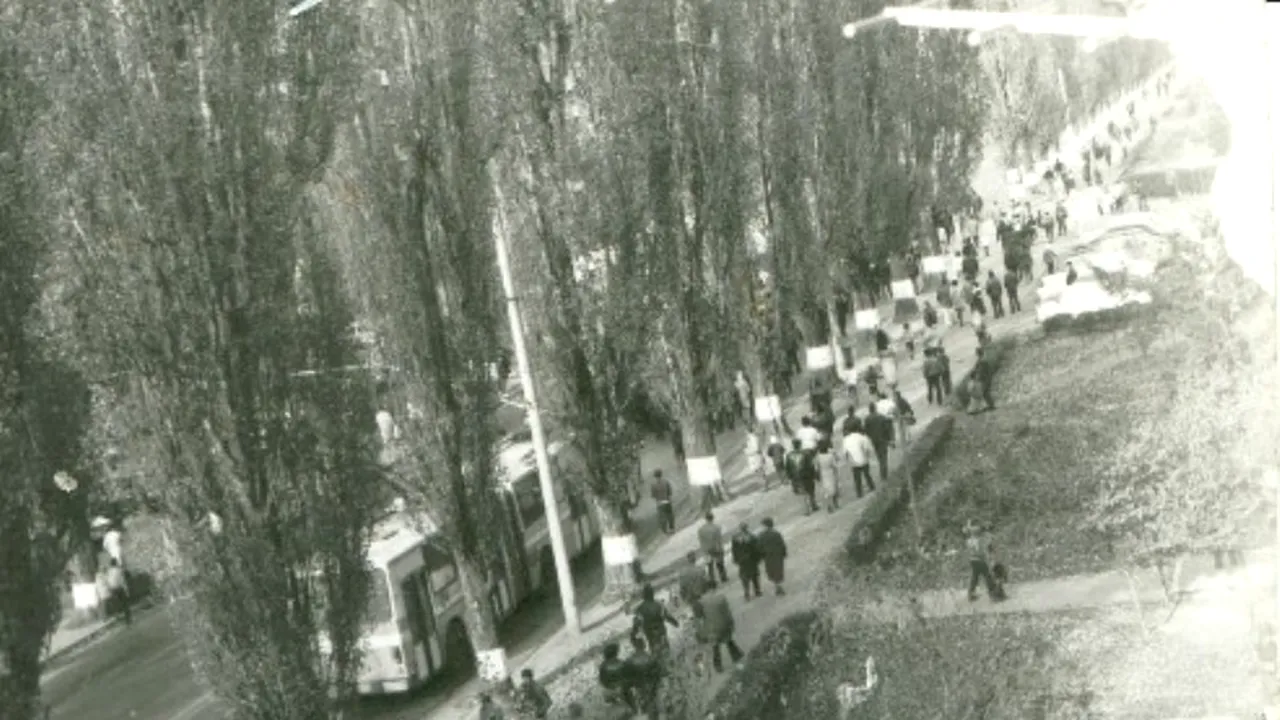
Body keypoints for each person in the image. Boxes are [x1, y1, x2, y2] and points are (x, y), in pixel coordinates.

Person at [694, 589, 744, 673]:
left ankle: (718, 666)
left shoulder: (699, 603)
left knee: (715, 647)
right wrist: (731, 624)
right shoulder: (721, 598)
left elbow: (699, 620)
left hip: (712, 630)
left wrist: (700, 634)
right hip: (723, 626)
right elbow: (727, 614)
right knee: (728, 641)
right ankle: (736, 656)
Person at [964, 520, 1006, 602]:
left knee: (975, 577)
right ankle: (994, 595)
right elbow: (992, 548)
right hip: (980, 559)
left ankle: (971, 594)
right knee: (987, 577)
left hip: (974, 559)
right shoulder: (984, 536)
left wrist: (968, 525)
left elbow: (968, 530)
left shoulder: (974, 537)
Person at [631, 583, 679, 653]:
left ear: (644, 595)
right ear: (652, 594)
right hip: (661, 632)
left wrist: (633, 634)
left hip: (651, 634)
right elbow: (667, 616)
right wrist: (675, 623)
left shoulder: (640, 608)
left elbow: (636, 623)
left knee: (655, 651)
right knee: (665, 651)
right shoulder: (659, 605)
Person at [624, 635, 663, 718]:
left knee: (645, 706)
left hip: (639, 687)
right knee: (652, 706)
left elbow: (627, 675)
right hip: (650, 685)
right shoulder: (649, 657)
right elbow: (657, 670)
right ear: (644, 645)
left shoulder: (629, 660)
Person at [840, 420, 876, 499]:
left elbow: (845, 452)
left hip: (853, 462)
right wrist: (867, 456)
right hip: (863, 459)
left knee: (857, 478)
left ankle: (859, 493)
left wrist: (848, 460)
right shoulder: (862, 437)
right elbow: (867, 448)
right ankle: (871, 486)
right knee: (867, 474)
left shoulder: (846, 440)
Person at [784, 438, 819, 515]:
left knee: (803, 493)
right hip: (807, 475)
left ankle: (806, 510)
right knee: (811, 491)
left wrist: (790, 477)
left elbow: (787, 467)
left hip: (796, 477)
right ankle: (814, 505)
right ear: (800, 445)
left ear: (793, 445)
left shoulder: (789, 455)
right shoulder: (805, 453)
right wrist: (814, 474)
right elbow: (810, 465)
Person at [730, 522, 763, 600]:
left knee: (744, 578)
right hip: (751, 560)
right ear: (746, 528)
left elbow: (734, 550)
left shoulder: (735, 538)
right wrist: (758, 559)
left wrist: (736, 559)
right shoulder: (752, 537)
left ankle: (747, 593)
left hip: (742, 561)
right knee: (754, 576)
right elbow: (756, 549)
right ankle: (757, 591)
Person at [863, 402, 893, 484]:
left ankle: (883, 473)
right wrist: (889, 439)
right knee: (884, 457)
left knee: (879, 456)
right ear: (875, 408)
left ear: (869, 409)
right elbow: (887, 428)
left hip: (874, 441)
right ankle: (884, 474)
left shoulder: (867, 419)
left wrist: (871, 437)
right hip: (883, 439)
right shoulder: (881, 417)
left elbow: (866, 431)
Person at [598, 642, 634, 711]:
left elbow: (603, 681)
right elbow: (628, 677)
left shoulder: (603, 666)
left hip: (612, 689)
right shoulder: (621, 663)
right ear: (615, 653)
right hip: (623, 689)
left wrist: (611, 687)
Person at [757, 517, 788, 595]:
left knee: (772, 571)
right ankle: (778, 586)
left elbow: (759, 547)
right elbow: (782, 544)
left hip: (768, 556)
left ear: (765, 525)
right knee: (778, 570)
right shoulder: (776, 533)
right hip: (777, 555)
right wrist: (784, 553)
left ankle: (777, 586)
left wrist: (761, 556)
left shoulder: (761, 536)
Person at [697, 513, 729, 585]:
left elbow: (701, 540)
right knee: (720, 564)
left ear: (706, 519)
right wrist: (720, 549)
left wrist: (704, 550)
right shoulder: (716, 527)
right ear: (713, 518)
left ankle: (712, 581)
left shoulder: (701, 529)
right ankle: (723, 577)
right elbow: (718, 540)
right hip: (716, 549)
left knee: (710, 566)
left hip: (707, 550)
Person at [105, 557, 131, 625]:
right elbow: (122, 581)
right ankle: (128, 620)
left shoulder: (109, 571)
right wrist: (126, 590)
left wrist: (109, 588)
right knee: (125, 604)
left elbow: (107, 581)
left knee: (115, 604)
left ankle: (117, 618)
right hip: (119, 588)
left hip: (112, 589)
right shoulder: (119, 570)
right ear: (116, 563)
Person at [816, 442, 840, 512]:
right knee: (834, 488)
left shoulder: (818, 457)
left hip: (823, 474)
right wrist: (836, 474)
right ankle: (836, 504)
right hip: (830, 473)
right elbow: (834, 466)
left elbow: (817, 468)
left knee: (826, 491)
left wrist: (818, 476)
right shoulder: (830, 456)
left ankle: (829, 505)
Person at [650, 470, 675, 534]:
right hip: (667, 500)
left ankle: (665, 531)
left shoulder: (653, 485)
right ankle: (672, 528)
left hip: (660, 502)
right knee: (670, 515)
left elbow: (653, 495)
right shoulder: (666, 482)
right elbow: (670, 491)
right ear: (661, 475)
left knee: (662, 517)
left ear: (655, 476)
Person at [972, 346, 996, 412]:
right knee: (986, 392)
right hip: (987, 377)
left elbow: (980, 371)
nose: (976, 353)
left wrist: (976, 377)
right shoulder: (982, 359)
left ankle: (991, 406)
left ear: (978, 353)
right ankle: (991, 405)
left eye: (976, 352)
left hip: (985, 378)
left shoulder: (981, 361)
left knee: (985, 392)